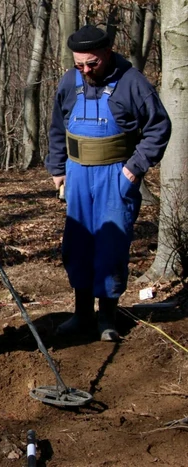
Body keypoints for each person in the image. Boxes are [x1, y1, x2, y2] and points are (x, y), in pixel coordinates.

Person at [45, 25, 171, 342]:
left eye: (92, 64)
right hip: (76, 175)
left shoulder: (132, 83)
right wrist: (57, 167)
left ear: (108, 52)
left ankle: (108, 318)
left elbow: (159, 127)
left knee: (110, 247)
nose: (85, 70)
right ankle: (82, 315)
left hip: (115, 175)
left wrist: (135, 168)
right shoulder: (69, 81)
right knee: (78, 245)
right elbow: (58, 126)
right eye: (79, 65)